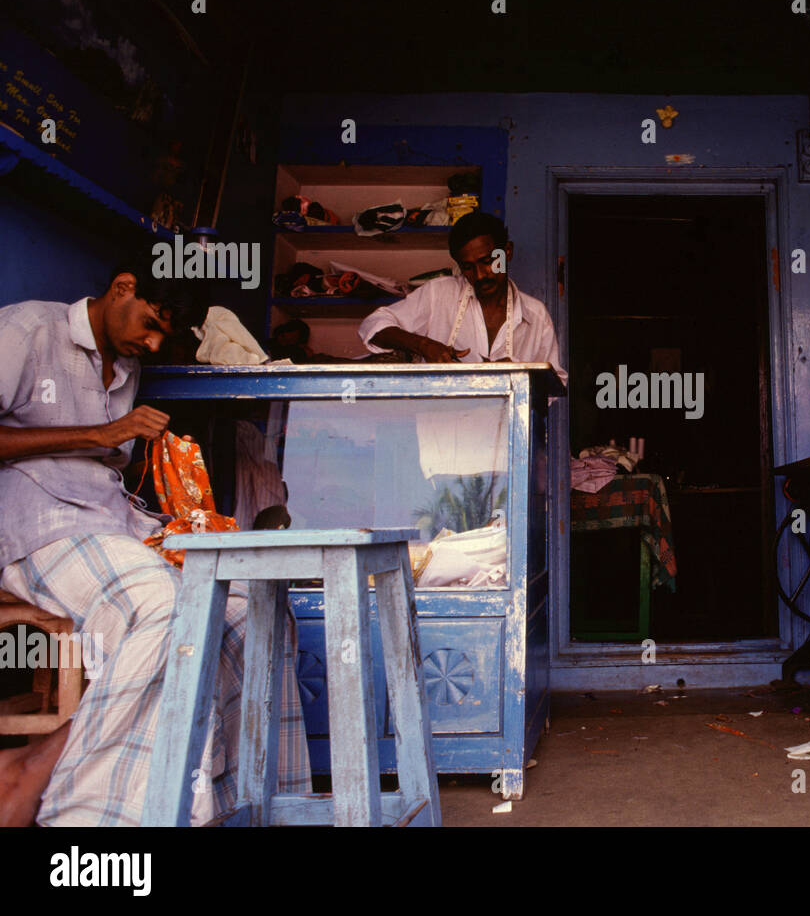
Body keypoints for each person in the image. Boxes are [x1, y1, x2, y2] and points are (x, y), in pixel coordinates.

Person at [0, 261, 309, 826]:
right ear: (123, 287)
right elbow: (91, 443)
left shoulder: (127, 367)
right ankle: (89, 822)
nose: (152, 340)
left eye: (164, 334)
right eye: (150, 322)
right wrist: (98, 434)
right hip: (41, 523)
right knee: (164, 605)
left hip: (115, 521)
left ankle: (251, 808)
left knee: (252, 603)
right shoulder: (27, 331)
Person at [358, 211, 567, 385]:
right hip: (439, 430)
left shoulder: (536, 314)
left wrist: (518, 373)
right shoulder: (439, 294)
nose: (480, 275)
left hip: (508, 432)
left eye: (488, 261)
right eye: (468, 267)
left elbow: (557, 383)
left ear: (507, 252)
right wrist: (424, 346)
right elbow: (373, 325)